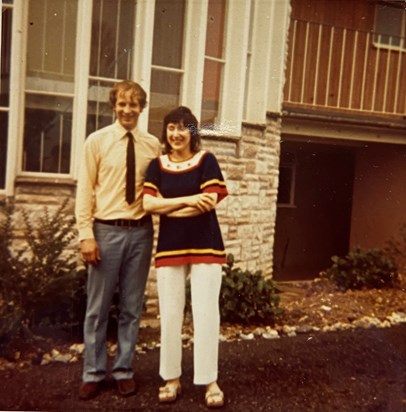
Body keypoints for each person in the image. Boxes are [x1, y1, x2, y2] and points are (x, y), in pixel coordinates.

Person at [75, 80, 161, 400]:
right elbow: (84, 191)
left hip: (140, 231)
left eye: (134, 104)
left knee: (131, 307)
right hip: (105, 231)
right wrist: (86, 235)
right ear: (114, 106)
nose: (128, 110)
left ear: (142, 107)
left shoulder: (152, 145)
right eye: (122, 104)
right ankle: (93, 372)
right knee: (97, 309)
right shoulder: (96, 142)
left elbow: (159, 190)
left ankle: (124, 369)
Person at [143, 106, 228, 408]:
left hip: (206, 245)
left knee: (206, 314)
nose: (176, 134)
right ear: (165, 133)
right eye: (171, 128)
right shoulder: (157, 165)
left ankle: (209, 381)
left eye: (182, 128)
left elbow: (211, 201)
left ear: (192, 132)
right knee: (170, 315)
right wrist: (190, 199)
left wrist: (170, 205)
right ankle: (171, 378)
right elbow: (149, 205)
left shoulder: (207, 161)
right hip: (170, 247)